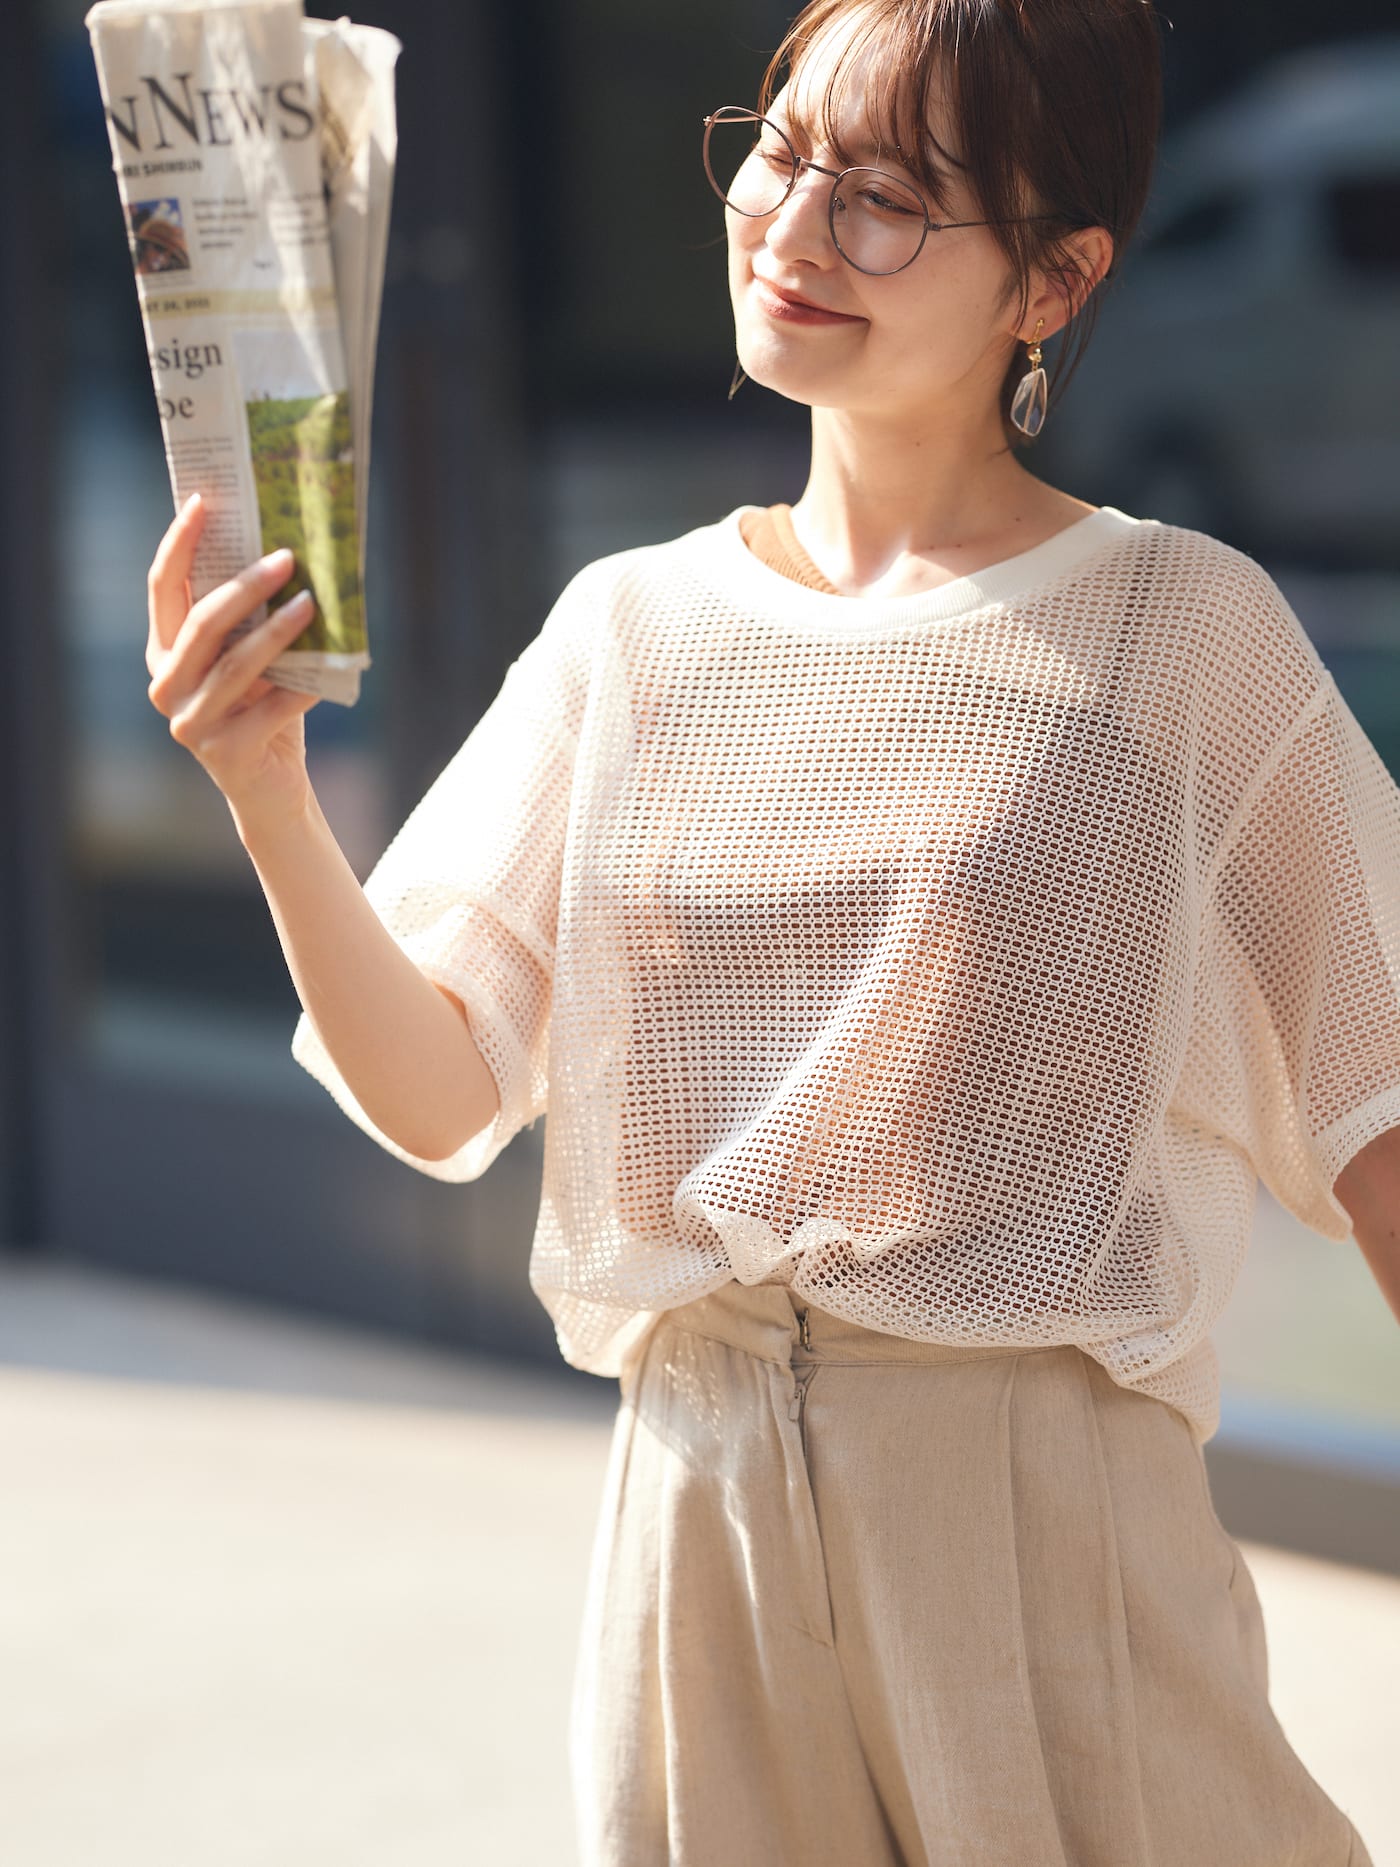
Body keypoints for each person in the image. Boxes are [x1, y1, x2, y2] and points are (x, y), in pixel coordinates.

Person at [142, 1, 1397, 1860]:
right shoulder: (627, 630)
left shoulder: (1180, 638)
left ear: (1054, 280)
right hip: (691, 1507)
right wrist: (262, 785)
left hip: (1035, 1528)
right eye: (782, 152)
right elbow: (435, 1089)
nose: (793, 230)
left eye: (886, 197)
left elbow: (1384, 1122)